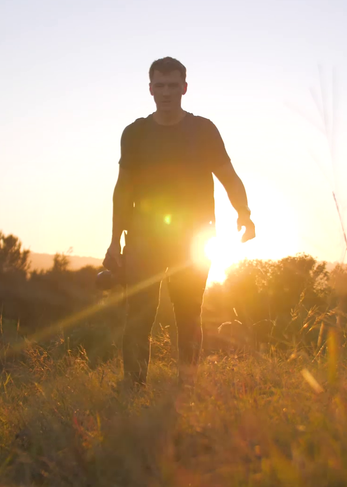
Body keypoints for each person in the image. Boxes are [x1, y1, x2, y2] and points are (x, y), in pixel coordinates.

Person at [104, 56, 255, 388]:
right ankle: (133, 386)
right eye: (160, 85)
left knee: (188, 314)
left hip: (195, 239)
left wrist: (244, 214)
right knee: (139, 316)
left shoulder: (202, 130)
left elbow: (229, 176)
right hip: (144, 238)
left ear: (185, 88)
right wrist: (115, 242)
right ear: (150, 89)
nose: (167, 92)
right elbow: (122, 190)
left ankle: (186, 386)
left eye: (173, 85)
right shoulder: (136, 133)